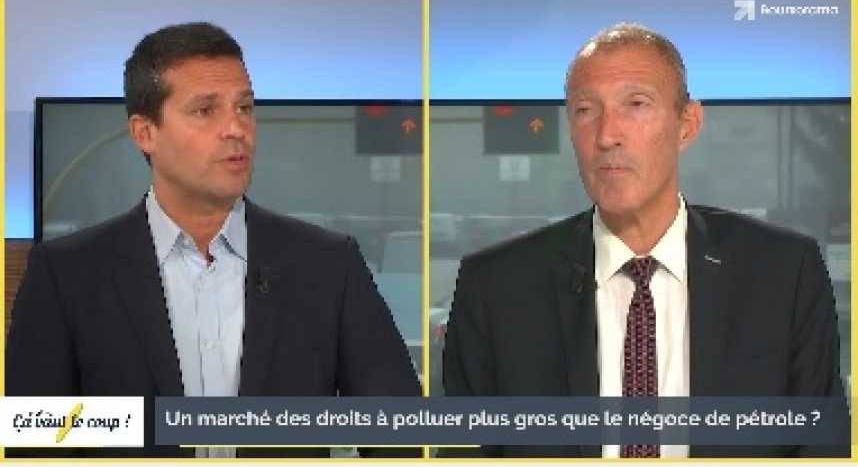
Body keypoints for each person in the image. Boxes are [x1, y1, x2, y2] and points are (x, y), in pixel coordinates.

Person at [6, 22, 421, 458]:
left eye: (244, 107)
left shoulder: (328, 265)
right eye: (206, 110)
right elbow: (34, 446)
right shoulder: (66, 275)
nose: (236, 128)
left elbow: (401, 432)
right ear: (145, 132)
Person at [442, 22, 848, 458]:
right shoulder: (496, 288)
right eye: (585, 110)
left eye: (636, 104)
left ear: (687, 124)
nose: (607, 135)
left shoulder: (783, 275)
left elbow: (820, 452)